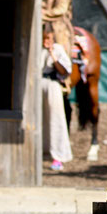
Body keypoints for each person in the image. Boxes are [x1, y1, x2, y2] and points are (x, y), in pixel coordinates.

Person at [41, 24, 73, 171]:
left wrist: (52, 55)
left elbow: (64, 71)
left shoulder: (57, 50)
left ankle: (58, 156)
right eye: (44, 38)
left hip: (52, 85)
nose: (46, 41)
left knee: (55, 119)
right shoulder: (36, 48)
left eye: (48, 38)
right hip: (36, 85)